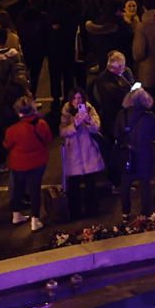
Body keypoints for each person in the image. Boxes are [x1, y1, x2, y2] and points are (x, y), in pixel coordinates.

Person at [3, 98, 55, 231]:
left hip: (18, 163)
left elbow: (6, 145)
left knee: (18, 188)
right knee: (34, 190)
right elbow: (48, 139)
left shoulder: (12, 130)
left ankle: (16, 214)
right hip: (38, 162)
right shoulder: (41, 125)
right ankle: (35, 220)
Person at [60, 92, 109, 221]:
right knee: (74, 186)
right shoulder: (66, 112)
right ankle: (75, 212)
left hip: (88, 152)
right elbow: (63, 132)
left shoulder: (90, 109)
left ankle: (92, 211)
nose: (77, 100)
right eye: (74, 98)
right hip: (74, 154)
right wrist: (74, 124)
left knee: (90, 184)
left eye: (80, 97)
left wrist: (88, 121)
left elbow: (97, 127)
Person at [116, 86, 155, 216]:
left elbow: (116, 133)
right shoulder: (149, 116)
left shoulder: (122, 115)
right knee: (145, 185)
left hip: (127, 154)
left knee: (125, 184)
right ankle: (145, 213)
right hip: (145, 154)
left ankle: (125, 212)